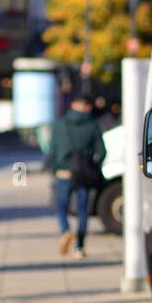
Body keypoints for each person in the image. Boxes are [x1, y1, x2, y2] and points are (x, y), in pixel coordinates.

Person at [46, 93, 105, 259]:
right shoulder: (93, 124)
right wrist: (93, 165)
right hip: (84, 174)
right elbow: (102, 151)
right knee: (82, 210)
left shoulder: (59, 125)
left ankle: (65, 230)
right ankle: (79, 247)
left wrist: (52, 166)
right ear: (85, 106)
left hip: (64, 172)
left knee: (61, 207)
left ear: (72, 105)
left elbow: (52, 150)